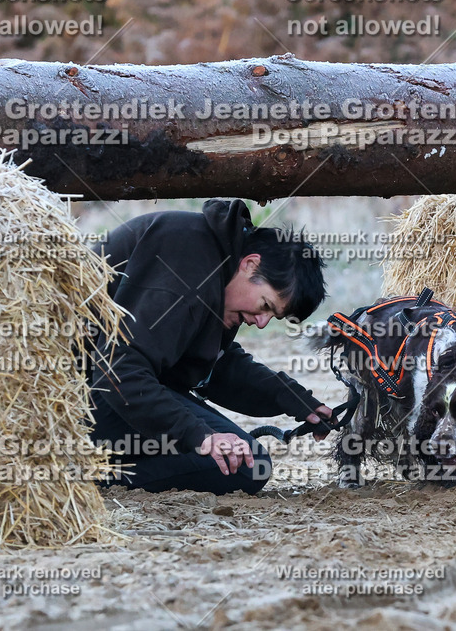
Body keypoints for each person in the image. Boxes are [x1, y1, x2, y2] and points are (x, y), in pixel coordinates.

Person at [85, 198, 331, 495]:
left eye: (272, 317)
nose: (262, 322)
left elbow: (214, 366)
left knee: (248, 464)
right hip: (73, 398)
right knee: (241, 465)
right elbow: (117, 369)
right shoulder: (185, 257)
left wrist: (292, 399)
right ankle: (89, 484)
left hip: (109, 389)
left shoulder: (217, 269)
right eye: (265, 305)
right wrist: (201, 436)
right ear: (250, 264)